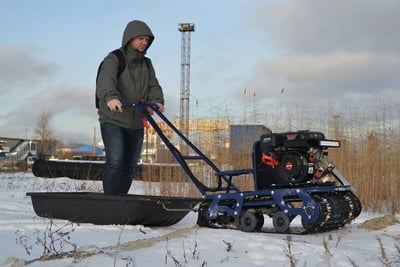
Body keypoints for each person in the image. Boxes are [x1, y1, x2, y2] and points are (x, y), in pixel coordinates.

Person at [96, 20, 165, 195]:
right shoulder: (114, 59)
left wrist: (156, 101)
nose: (144, 42)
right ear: (129, 38)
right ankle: (110, 203)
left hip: (136, 122)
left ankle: (121, 201)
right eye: (140, 38)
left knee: (130, 166)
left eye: (147, 40)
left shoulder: (147, 64)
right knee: (116, 161)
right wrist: (111, 98)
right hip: (113, 119)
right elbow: (105, 82)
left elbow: (153, 85)